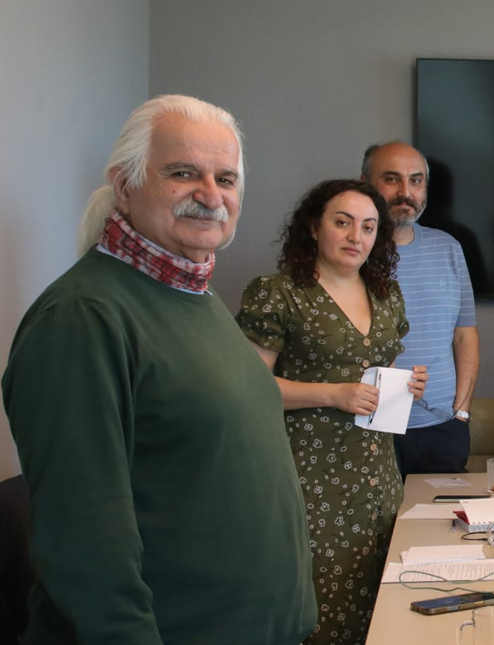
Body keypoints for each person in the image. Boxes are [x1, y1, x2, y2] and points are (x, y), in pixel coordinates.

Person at [2, 94, 316, 644]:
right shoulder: (82, 317)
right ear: (124, 185)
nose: (211, 195)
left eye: (226, 178)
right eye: (182, 173)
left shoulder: (197, 296)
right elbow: (84, 539)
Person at [237, 179, 426, 645]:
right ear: (313, 227)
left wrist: (406, 386)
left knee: (383, 602)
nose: (355, 237)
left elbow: (375, 374)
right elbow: (248, 388)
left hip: (378, 474)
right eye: (342, 223)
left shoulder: (386, 294)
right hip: (309, 475)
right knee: (321, 604)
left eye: (368, 227)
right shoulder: (279, 293)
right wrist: (332, 394)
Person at [362, 141, 479, 477]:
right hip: (371, 427)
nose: (405, 192)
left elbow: (465, 335)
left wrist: (461, 412)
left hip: (443, 429)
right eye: (391, 179)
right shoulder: (352, 254)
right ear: (365, 183)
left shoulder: (449, 248)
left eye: (415, 180)